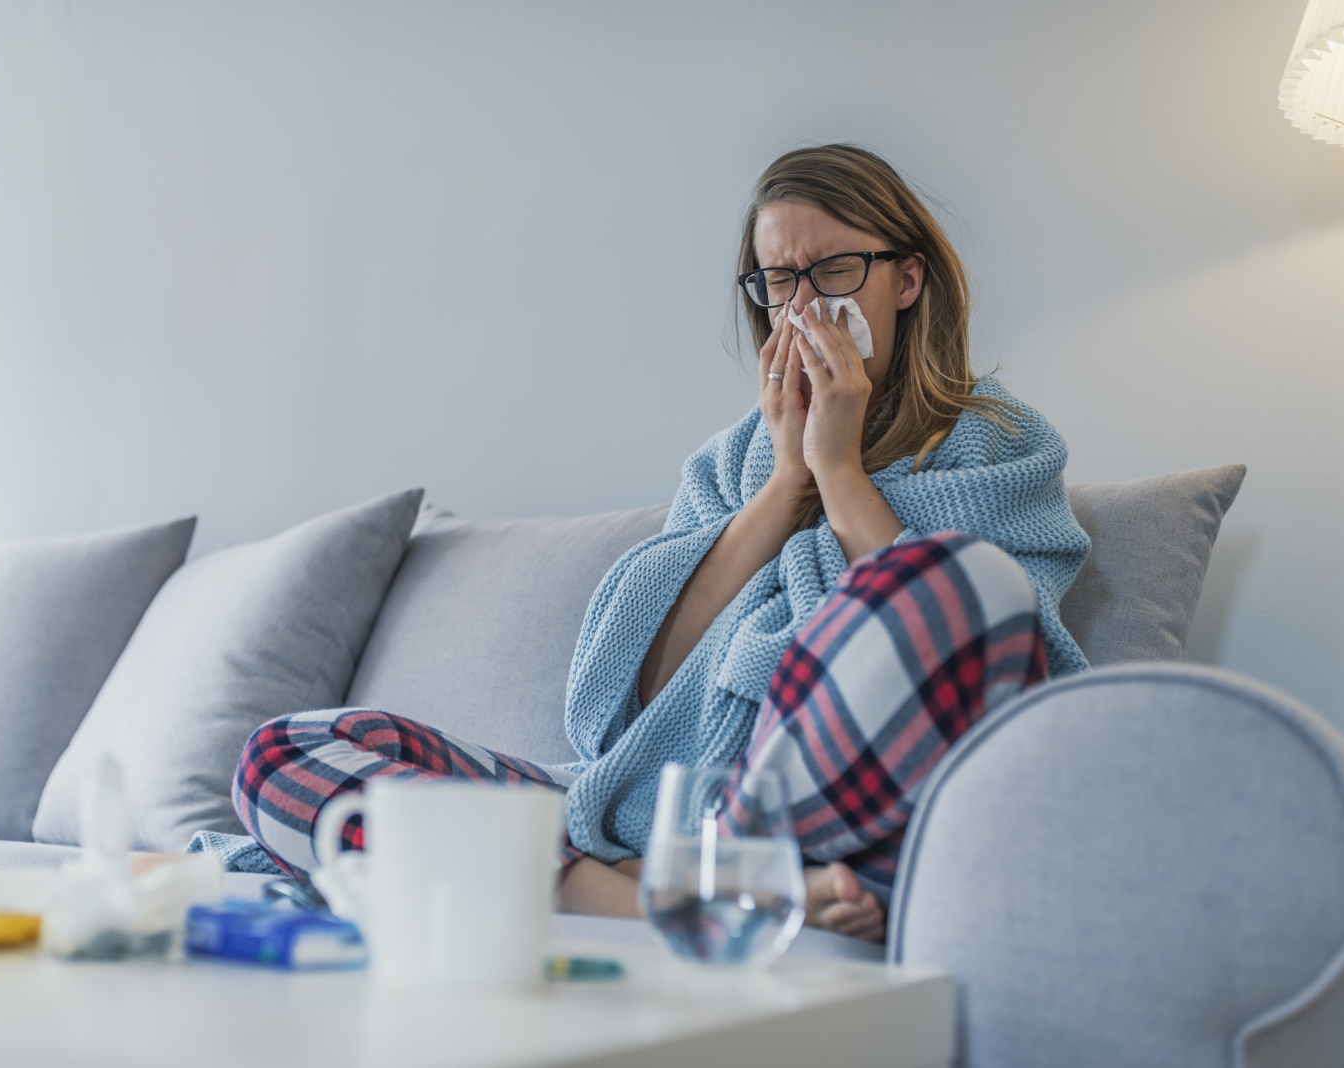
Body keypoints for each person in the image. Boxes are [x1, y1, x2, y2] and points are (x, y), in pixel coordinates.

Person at [234, 144, 1090, 941]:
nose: (804, 306)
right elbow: (629, 687)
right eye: (779, 281)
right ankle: (641, 894)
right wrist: (785, 481)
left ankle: (708, 868)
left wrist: (839, 470)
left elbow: (984, 654)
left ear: (907, 279)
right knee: (284, 755)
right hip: (644, 810)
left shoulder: (997, 445)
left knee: (965, 580)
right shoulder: (735, 463)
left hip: (815, 796)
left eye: (833, 270)